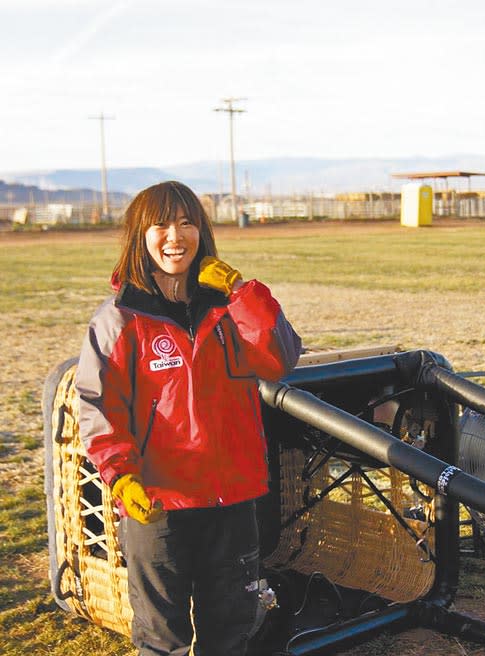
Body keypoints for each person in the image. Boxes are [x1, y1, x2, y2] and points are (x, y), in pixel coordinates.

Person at [75, 180, 302, 656]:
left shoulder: (229, 308)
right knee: (162, 637)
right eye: (160, 224)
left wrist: (242, 291)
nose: (174, 235)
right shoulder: (119, 320)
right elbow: (99, 408)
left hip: (232, 497)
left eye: (186, 222)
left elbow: (279, 358)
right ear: (139, 235)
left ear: (201, 231)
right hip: (159, 504)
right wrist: (121, 477)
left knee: (231, 630)